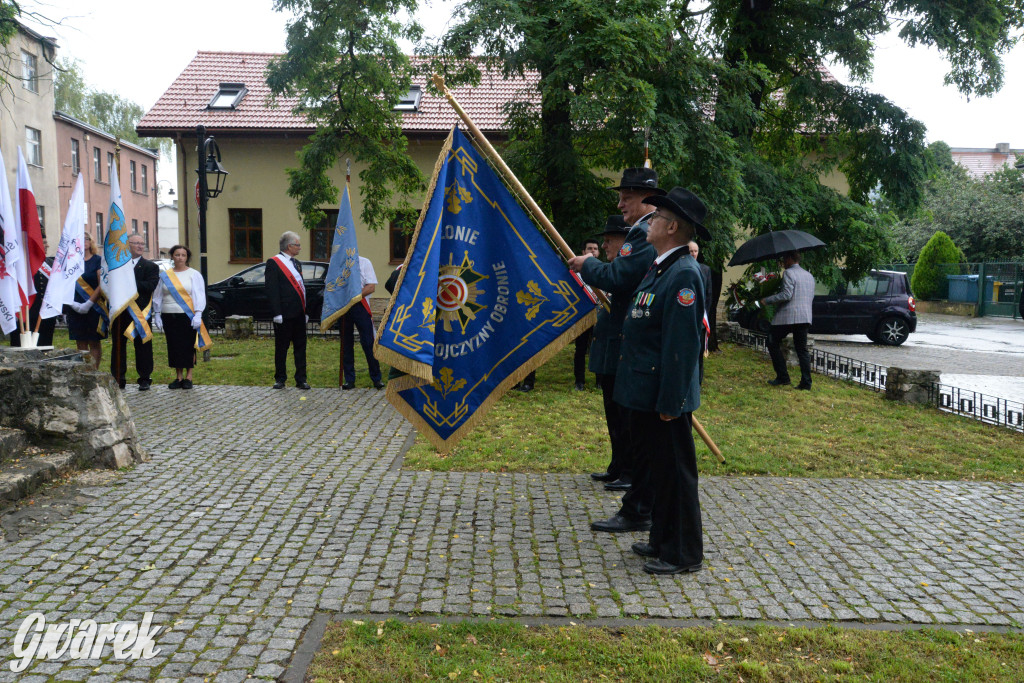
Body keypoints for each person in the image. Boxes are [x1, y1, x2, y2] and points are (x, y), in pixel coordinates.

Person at [615, 186, 710, 575]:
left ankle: (683, 552)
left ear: (672, 227)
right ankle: (661, 539)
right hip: (646, 394)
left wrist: (671, 403)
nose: (648, 221)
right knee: (658, 471)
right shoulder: (662, 267)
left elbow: (682, 347)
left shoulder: (683, 275)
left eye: (655, 218)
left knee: (676, 476)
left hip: (663, 400)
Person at [568, 166, 662, 512]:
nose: (621, 204)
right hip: (622, 344)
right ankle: (628, 483)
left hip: (634, 346)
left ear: (646, 199)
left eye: (627, 197)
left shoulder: (640, 236)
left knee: (634, 425)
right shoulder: (640, 232)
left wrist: (586, 264)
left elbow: (622, 275)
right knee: (622, 418)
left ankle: (637, 496)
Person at [110, 234, 159, 390]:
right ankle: (118, 377)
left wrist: (129, 283)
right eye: (136, 243)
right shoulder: (119, 266)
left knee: (143, 345)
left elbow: (149, 286)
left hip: (140, 312)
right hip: (121, 312)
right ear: (127, 245)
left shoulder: (150, 266)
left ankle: (144, 378)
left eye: (142, 243)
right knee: (118, 346)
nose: (140, 246)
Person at [760, 250, 815, 390]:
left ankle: (783, 377)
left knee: (772, 340)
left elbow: (786, 294)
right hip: (805, 316)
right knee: (802, 349)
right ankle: (806, 383)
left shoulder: (789, 273)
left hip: (788, 316)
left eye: (784, 259)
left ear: (790, 259)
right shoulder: (809, 275)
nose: (783, 262)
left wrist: (768, 300)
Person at [152, 245, 205, 390]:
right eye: (177, 255)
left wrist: (199, 313)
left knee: (187, 346)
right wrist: (157, 313)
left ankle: (189, 377)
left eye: (183, 255)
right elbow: (158, 295)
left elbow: (199, 295)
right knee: (174, 345)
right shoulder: (165, 275)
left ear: (187, 257)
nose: (180, 257)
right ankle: (178, 377)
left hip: (187, 315)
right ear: (172, 256)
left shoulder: (194, 274)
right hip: (169, 314)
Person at [266, 231, 310, 390]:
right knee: (281, 348)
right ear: (289, 246)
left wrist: (305, 311)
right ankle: (280, 378)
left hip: (298, 313)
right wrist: (276, 313)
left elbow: (302, 288)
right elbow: (272, 290)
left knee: (300, 347)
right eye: (298, 245)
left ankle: (301, 378)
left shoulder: (297, 263)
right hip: (283, 314)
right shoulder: (274, 263)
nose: (300, 248)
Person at [342, 255, 384, 390]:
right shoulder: (337, 262)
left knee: (368, 342)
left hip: (361, 305)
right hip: (343, 307)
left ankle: (376, 378)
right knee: (346, 344)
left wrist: (354, 297)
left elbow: (371, 287)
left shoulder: (364, 262)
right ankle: (349, 379)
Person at [66, 232, 105, 369]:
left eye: (87, 238)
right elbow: (64, 284)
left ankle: (94, 371)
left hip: (93, 307)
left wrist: (88, 303)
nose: (84, 241)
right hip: (74, 306)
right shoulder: (70, 261)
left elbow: (102, 284)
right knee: (80, 341)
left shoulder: (97, 260)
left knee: (94, 341)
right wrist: (73, 303)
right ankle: (84, 371)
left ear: (91, 242)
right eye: (80, 240)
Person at [8, 238, 55, 347]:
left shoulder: (51, 264)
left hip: (45, 314)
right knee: (20, 346)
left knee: (45, 345)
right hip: (26, 313)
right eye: (44, 242)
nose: (47, 245)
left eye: (46, 242)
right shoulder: (22, 264)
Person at [571, 238, 602, 390]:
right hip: (582, 314)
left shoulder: (604, 269)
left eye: (595, 249)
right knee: (580, 349)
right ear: (583, 252)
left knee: (599, 348)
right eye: (589, 248)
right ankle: (579, 381)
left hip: (599, 314)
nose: (592, 251)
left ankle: (600, 381)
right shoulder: (574, 273)